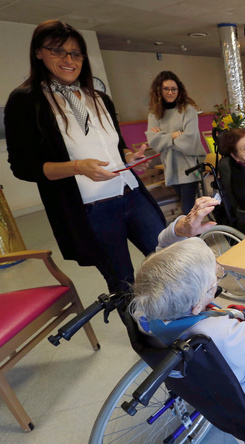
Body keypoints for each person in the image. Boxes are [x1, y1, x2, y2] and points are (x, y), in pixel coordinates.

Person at [5, 20, 165, 293]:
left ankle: (182, 328)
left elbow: (116, 144)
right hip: (91, 208)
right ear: (38, 53)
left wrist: (128, 155)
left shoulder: (99, 97)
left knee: (168, 263)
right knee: (123, 285)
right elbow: (22, 166)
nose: (69, 60)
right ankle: (143, 336)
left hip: (132, 193)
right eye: (58, 51)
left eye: (76, 53)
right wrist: (77, 167)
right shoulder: (25, 100)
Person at [131, 236, 245, 395]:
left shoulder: (145, 310)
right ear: (196, 306)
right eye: (214, 281)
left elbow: (162, 264)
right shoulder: (225, 335)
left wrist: (177, 232)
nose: (217, 280)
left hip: (199, 376)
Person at [145, 71, 206, 215]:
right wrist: (174, 134)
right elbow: (153, 141)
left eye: (174, 89)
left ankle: (194, 234)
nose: (170, 92)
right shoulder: (154, 113)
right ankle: (193, 231)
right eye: (166, 88)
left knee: (188, 207)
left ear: (179, 90)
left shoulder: (187, 109)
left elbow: (191, 139)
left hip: (189, 164)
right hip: (170, 165)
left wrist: (163, 138)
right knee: (186, 205)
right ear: (159, 90)